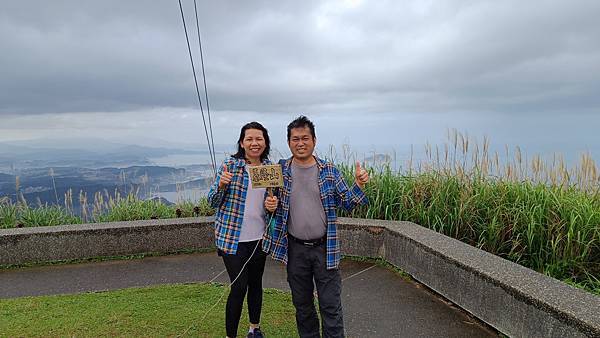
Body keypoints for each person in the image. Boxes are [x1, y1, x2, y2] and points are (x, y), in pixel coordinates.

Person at [268, 115, 369, 338]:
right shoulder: (280, 170)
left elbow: (348, 203)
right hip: (294, 249)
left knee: (330, 306)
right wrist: (270, 205)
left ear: (314, 140)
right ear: (288, 143)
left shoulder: (329, 171)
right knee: (302, 306)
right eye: (295, 139)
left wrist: (359, 184)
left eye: (305, 138)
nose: (300, 143)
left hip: (325, 249)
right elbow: (269, 202)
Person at [208, 121, 278, 338]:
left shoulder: (269, 169)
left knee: (256, 285)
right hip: (232, 239)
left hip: (260, 238)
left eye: (259, 138)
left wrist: (272, 206)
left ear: (265, 142)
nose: (254, 143)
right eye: (249, 139)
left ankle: (254, 329)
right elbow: (212, 201)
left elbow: (273, 205)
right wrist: (221, 185)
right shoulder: (230, 166)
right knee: (239, 287)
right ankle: (231, 335)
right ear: (241, 142)